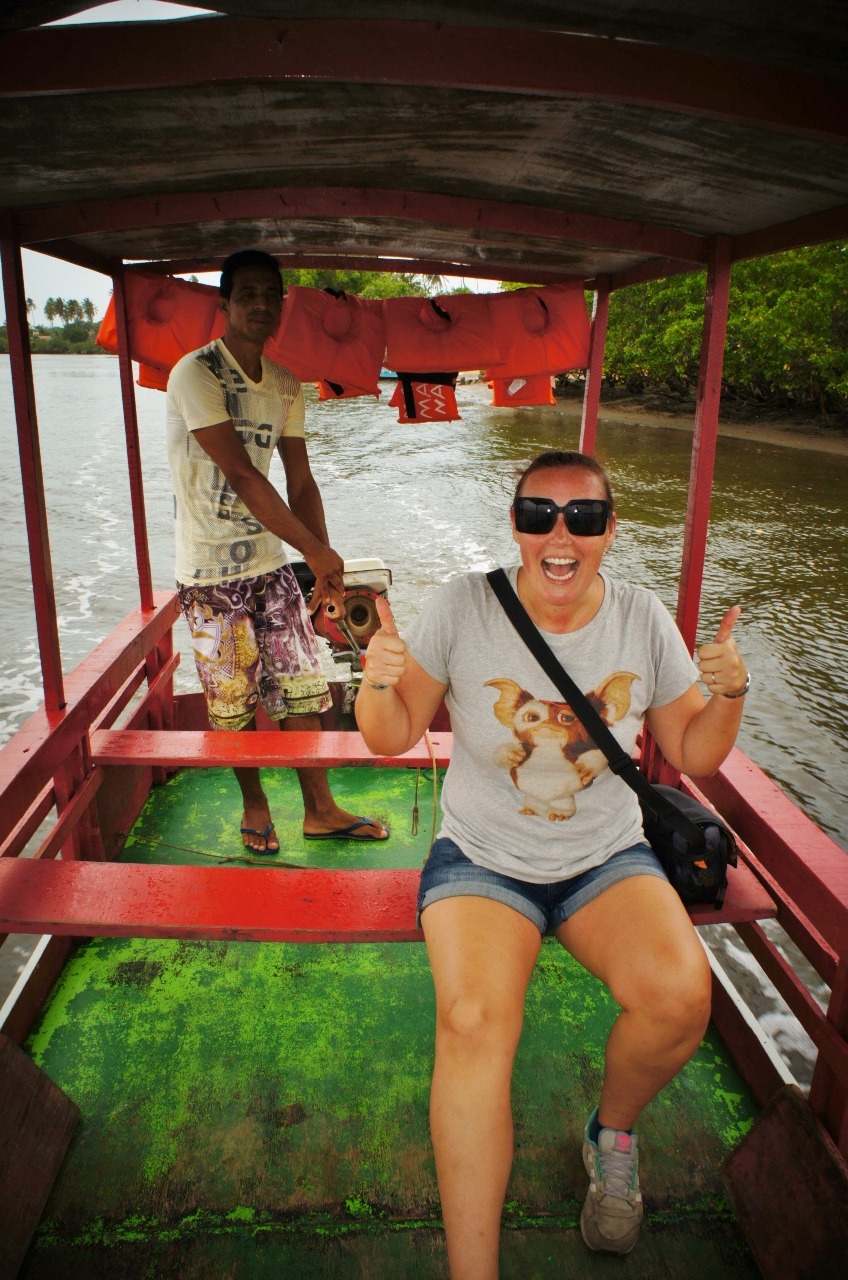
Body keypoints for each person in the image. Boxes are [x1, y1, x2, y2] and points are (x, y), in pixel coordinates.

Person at [355, 449, 748, 1275]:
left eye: (584, 516)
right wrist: (376, 683)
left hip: (605, 856)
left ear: (610, 530)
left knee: (680, 999)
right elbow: (391, 737)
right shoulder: (463, 607)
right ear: (516, 525)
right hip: (484, 859)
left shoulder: (641, 618)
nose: (560, 535)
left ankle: (612, 1134)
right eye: (539, 514)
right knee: (472, 1024)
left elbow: (693, 752)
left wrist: (729, 697)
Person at [166, 248, 388, 854]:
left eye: (271, 294)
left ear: (282, 305)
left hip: (271, 565)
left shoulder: (287, 384)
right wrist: (314, 551)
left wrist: (324, 559)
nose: (260, 304)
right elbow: (242, 474)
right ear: (224, 303)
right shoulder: (197, 373)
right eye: (247, 294)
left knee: (302, 686)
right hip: (209, 574)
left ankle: (320, 810)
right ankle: (256, 805)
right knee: (233, 704)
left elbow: (301, 480)